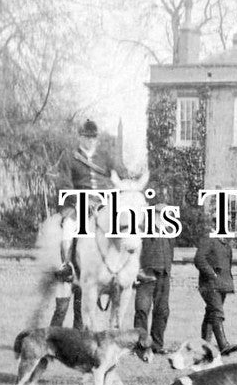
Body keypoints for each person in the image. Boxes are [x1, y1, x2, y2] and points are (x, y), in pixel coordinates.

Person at [53, 119, 129, 289]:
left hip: (105, 201)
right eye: (86, 137)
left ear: (97, 138)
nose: (90, 141)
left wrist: (127, 179)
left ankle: (129, 267)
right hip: (80, 203)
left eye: (93, 137)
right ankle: (67, 266)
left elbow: (119, 172)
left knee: (126, 224)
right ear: (80, 137)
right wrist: (78, 200)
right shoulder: (70, 157)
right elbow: (64, 184)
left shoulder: (104, 157)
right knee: (68, 226)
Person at [133, 188, 174, 354]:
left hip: (164, 274)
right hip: (146, 273)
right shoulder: (142, 229)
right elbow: (133, 251)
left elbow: (171, 251)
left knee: (162, 310)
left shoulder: (170, 230)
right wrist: (136, 272)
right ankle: (140, 345)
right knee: (142, 309)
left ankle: (157, 345)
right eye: (159, 211)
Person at [195, 208, 237, 355]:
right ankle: (223, 345)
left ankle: (204, 346)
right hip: (210, 285)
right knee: (217, 312)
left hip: (222, 284)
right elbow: (199, 259)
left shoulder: (224, 241)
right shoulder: (209, 238)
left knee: (211, 314)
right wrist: (212, 275)